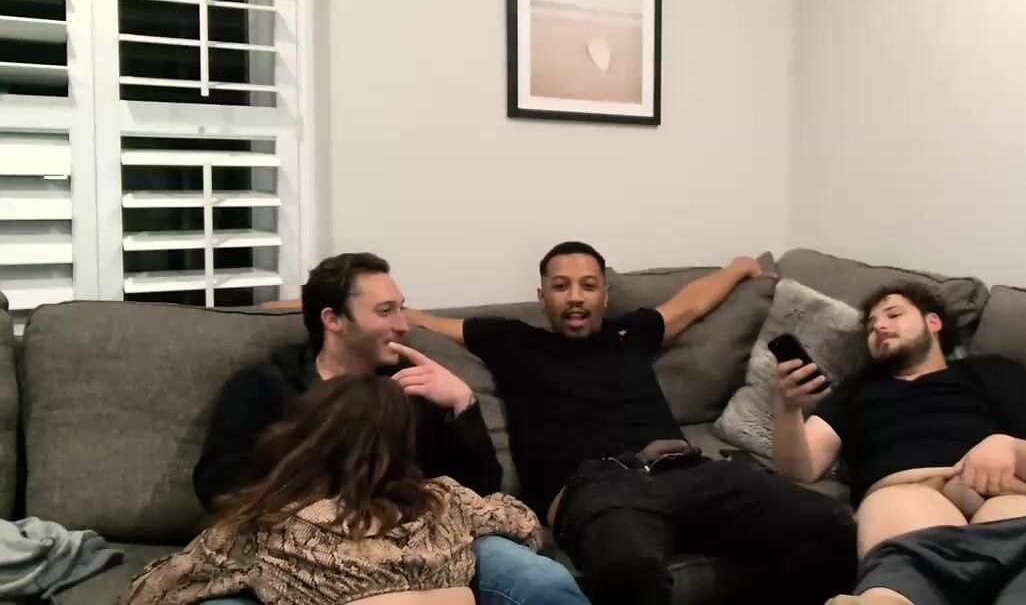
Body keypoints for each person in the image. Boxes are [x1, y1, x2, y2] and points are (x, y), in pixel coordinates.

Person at [406, 241, 858, 605]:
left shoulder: (630, 333)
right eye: (561, 286)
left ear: (604, 294)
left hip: (687, 470)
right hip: (595, 487)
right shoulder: (510, 339)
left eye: (588, 285)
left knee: (830, 525)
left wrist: (739, 268)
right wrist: (386, 312)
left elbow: (690, 305)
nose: (575, 296)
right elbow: (422, 323)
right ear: (542, 297)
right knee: (630, 574)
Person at [196, 253, 587, 605]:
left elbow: (479, 489)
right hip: (301, 546)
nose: (403, 325)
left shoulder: (415, 385)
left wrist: (462, 405)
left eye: (401, 308)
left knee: (542, 581)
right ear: (333, 320)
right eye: (385, 312)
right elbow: (217, 484)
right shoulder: (266, 385)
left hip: (421, 540)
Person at [771, 281, 1026, 605]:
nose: (879, 326)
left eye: (894, 314)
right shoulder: (857, 390)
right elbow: (801, 469)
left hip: (999, 498)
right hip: (909, 498)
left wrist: (1009, 447)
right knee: (904, 570)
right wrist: (788, 409)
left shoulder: (994, 371)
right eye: (871, 326)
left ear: (933, 322)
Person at [129, 373, 542, 605]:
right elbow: (524, 522)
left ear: (311, 436)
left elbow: (156, 589)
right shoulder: (448, 502)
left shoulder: (276, 525)